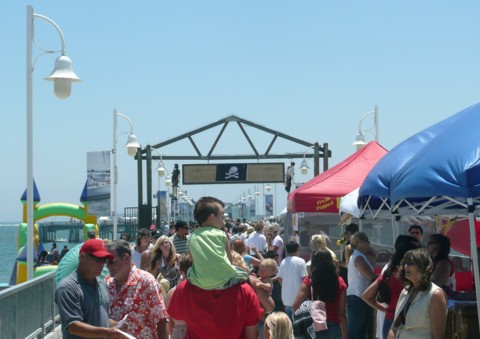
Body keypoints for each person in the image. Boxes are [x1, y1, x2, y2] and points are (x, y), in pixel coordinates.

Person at [55, 239, 125, 339]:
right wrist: (106, 332)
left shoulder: (102, 284)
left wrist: (117, 325)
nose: (102, 264)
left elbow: (104, 319)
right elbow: (73, 326)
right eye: (98, 259)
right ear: (82, 257)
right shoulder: (67, 287)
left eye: (104, 259)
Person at [105, 240, 168, 339]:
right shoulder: (107, 283)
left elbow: (161, 321)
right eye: (105, 261)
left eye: (111, 261)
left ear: (126, 258)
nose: (107, 265)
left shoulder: (146, 282)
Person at [362, 236, 420, 339]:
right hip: (409, 322)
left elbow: (366, 296)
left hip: (390, 321)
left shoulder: (388, 273)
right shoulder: (413, 275)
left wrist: (386, 310)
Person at [186, 196, 249, 289]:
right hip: (224, 280)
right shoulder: (221, 234)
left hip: (200, 282)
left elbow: (193, 260)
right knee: (244, 273)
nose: (223, 222)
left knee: (189, 272)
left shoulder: (191, 237)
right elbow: (230, 261)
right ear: (212, 218)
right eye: (222, 217)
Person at [389, 248, 447, 339]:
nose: (406, 266)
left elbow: (438, 334)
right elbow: (394, 327)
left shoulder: (435, 294)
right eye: (405, 263)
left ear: (423, 266)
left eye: (411, 263)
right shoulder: (405, 291)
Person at [292, 249, 348, 339]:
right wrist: (345, 335)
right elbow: (342, 313)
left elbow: (295, 306)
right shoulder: (339, 282)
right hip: (333, 327)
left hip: (313, 326)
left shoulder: (309, 281)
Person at [347, 231, 377, 339]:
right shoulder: (358, 257)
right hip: (357, 297)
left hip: (362, 297)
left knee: (361, 332)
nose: (369, 244)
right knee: (355, 331)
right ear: (358, 242)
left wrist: (367, 246)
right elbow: (371, 276)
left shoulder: (361, 255)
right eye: (366, 241)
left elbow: (375, 255)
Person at [277, 240, 308, 321]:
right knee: (299, 326)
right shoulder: (301, 261)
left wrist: (286, 287)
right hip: (299, 299)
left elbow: (279, 278)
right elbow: (305, 279)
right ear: (298, 249)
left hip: (286, 299)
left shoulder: (283, 261)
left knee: (290, 325)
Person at [165, 254, 193, 339]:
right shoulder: (202, 290)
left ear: (180, 271)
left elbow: (169, 323)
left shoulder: (172, 292)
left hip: (179, 334)